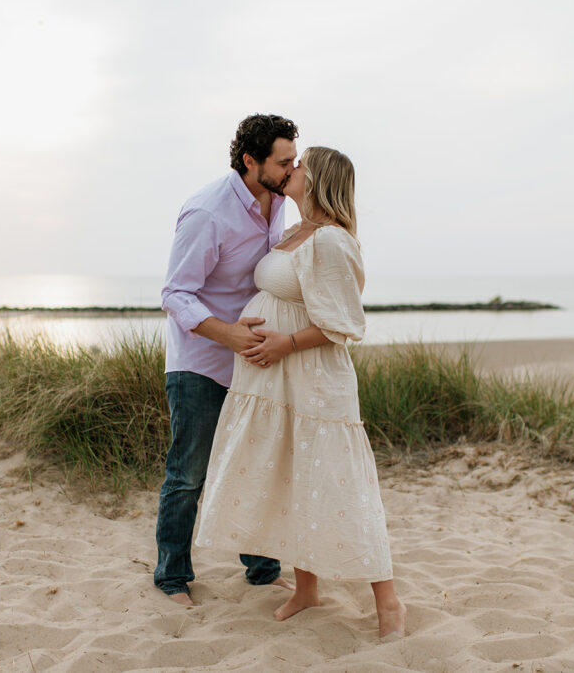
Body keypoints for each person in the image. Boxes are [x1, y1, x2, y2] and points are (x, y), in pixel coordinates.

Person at [193, 146, 407, 638]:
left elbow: (344, 324)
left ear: (319, 179)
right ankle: (306, 588)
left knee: (340, 481)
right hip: (274, 379)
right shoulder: (294, 233)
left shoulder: (331, 240)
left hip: (313, 376)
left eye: (301, 165)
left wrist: (285, 343)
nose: (291, 171)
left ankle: (388, 602)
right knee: (292, 475)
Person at [156, 114, 299, 605]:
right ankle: (171, 577)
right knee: (188, 473)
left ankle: (261, 570)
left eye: (292, 160)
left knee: (255, 464)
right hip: (199, 360)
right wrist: (229, 335)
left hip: (253, 358)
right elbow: (175, 294)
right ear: (249, 161)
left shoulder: (278, 198)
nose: (290, 169)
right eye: (283, 162)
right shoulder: (207, 212)